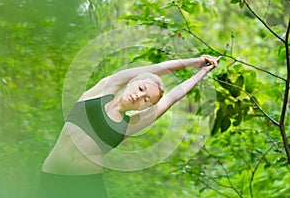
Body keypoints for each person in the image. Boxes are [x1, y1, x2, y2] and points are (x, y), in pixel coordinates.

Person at [37, 55, 221, 198]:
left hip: (87, 186)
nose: (139, 96)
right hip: (51, 178)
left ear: (145, 107)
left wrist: (202, 73)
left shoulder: (130, 125)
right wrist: (196, 62)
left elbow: (172, 97)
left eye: (146, 99)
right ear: (133, 82)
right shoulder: (103, 89)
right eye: (141, 89)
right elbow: (157, 68)